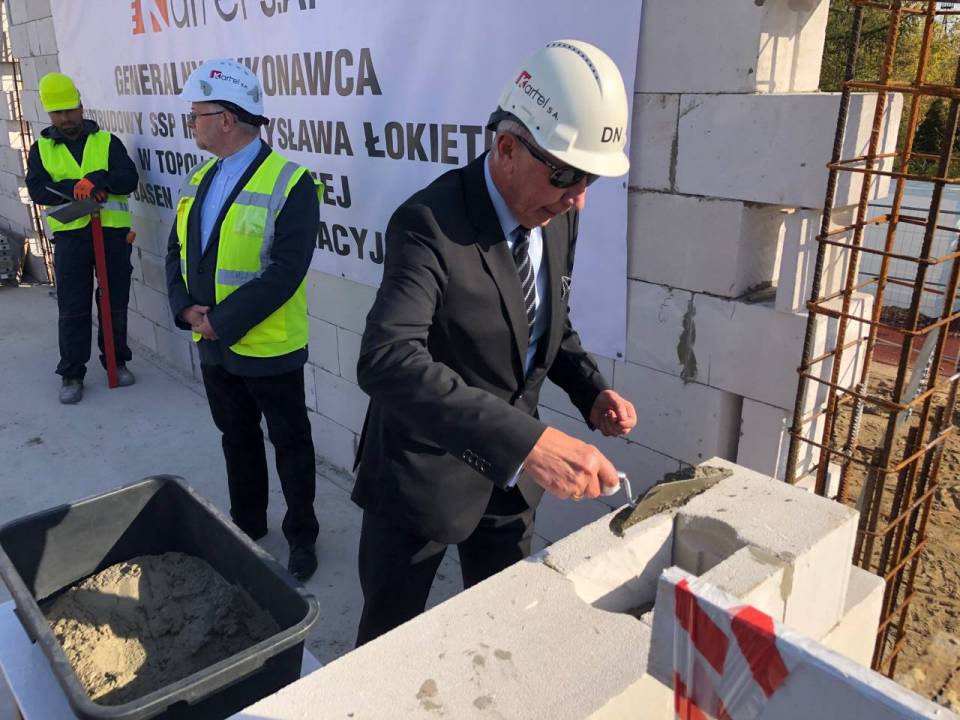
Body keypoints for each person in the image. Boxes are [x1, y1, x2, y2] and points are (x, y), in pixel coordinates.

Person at [352, 39, 638, 644]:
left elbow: (544, 320)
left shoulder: (556, 213)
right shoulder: (429, 224)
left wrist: (589, 390)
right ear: (506, 148)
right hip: (423, 474)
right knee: (387, 643)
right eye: (566, 174)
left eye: (589, 178)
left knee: (505, 630)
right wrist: (526, 441)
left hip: (512, 487)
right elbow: (387, 359)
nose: (578, 196)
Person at [165, 59, 322, 581]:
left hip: (269, 348)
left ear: (227, 120)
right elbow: (176, 252)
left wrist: (222, 321)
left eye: (197, 114)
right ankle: (249, 523)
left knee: (291, 445)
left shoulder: (292, 183)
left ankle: (302, 536)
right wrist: (184, 307)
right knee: (236, 438)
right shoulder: (198, 179)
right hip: (213, 345)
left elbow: (286, 272)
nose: (191, 123)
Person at [26, 72, 138, 404]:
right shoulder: (41, 149)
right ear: (50, 114)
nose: (66, 119)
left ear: (80, 106)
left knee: (113, 301)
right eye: (58, 113)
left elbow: (128, 178)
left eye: (70, 110)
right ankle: (72, 373)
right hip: (71, 238)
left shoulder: (107, 142)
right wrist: (73, 188)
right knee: (73, 306)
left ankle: (117, 361)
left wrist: (98, 179)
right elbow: (37, 189)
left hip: (112, 234)